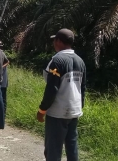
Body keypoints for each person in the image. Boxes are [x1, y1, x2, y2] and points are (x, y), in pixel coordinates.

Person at [37, 28, 86, 161]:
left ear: (58, 41)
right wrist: (80, 106)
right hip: (74, 110)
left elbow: (52, 88)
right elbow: (83, 87)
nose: (53, 43)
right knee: (72, 146)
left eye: (54, 40)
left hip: (58, 112)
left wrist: (42, 109)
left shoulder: (57, 60)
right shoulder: (80, 61)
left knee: (53, 148)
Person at [0, 40, 9, 117]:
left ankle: (2, 115)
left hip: (2, 81)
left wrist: (0, 68)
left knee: (2, 99)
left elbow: (7, 62)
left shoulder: (1, 53)